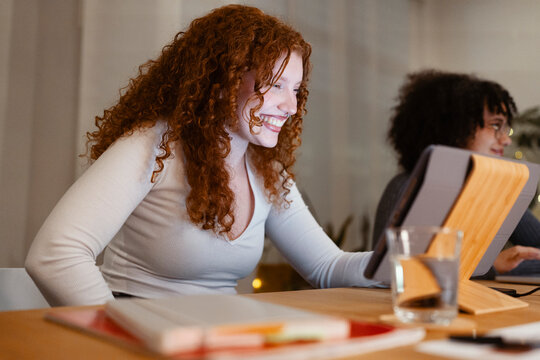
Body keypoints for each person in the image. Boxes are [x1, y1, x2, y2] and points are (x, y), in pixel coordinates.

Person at [25, 5, 380, 307]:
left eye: (297, 90)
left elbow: (328, 267)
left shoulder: (266, 171)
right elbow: (56, 255)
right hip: (146, 338)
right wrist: (117, 332)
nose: (291, 106)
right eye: (274, 85)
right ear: (222, 79)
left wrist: (404, 262)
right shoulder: (154, 146)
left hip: (216, 340)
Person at [373, 69, 540, 278]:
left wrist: (491, 267)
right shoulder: (406, 187)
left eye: (505, 128)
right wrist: (491, 266)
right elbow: (394, 273)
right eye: (495, 125)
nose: (506, 139)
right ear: (454, 127)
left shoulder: (493, 189)